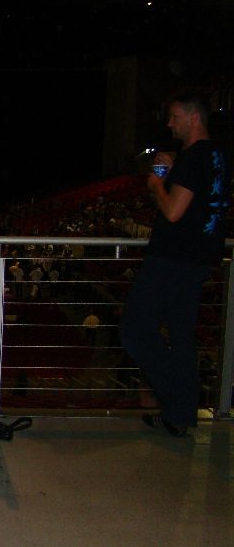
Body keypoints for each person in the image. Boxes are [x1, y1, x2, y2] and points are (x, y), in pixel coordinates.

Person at [121, 92, 231, 437]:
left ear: (193, 118)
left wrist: (157, 182)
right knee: (182, 338)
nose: (169, 123)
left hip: (172, 260)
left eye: (174, 117)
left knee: (135, 331)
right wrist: (172, 171)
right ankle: (179, 414)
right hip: (198, 259)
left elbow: (172, 211)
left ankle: (180, 403)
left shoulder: (194, 157)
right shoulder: (217, 156)